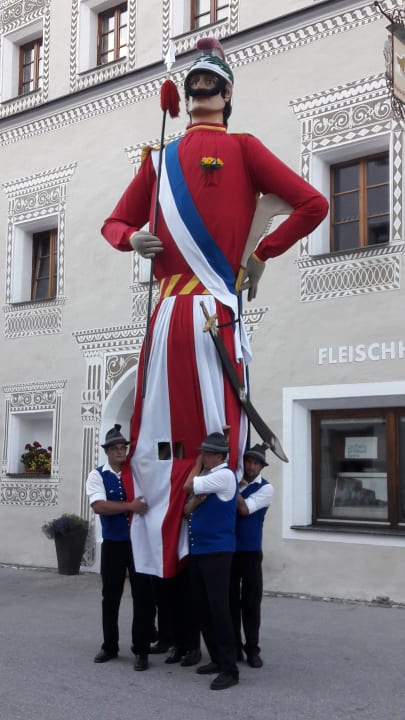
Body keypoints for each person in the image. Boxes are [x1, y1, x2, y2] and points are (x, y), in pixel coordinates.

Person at [101, 38, 329, 583]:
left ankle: (206, 559)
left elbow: (314, 203)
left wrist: (262, 254)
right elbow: (113, 223)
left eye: (212, 83)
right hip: (166, 315)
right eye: (194, 83)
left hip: (215, 312)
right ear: (183, 97)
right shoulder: (158, 161)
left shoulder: (245, 148)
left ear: (227, 94)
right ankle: (158, 553)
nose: (202, 89)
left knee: (218, 424)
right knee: (156, 428)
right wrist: (133, 238)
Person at [86, 423, 148, 665]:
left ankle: (141, 649)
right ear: (107, 451)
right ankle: (109, 645)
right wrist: (130, 506)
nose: (121, 452)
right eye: (115, 448)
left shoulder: (135, 473)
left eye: (123, 448)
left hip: (138, 543)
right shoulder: (97, 475)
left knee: (142, 595)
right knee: (111, 596)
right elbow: (99, 506)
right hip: (114, 543)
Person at [183, 432, 239, 691]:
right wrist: (196, 498)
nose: (202, 456)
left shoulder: (224, 475)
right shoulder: (209, 478)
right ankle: (216, 657)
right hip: (200, 550)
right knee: (202, 607)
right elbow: (187, 510)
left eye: (206, 453)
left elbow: (188, 485)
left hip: (217, 551)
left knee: (219, 608)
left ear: (219, 456)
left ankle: (230, 668)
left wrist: (196, 464)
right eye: (202, 453)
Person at [230, 443, 273, 668]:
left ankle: (253, 648)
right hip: (230, 550)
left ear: (261, 467)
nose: (251, 466)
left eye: (256, 463)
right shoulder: (235, 482)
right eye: (248, 461)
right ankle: (234, 647)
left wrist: (231, 488)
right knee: (230, 602)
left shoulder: (266, 489)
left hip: (250, 552)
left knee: (251, 603)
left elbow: (244, 509)